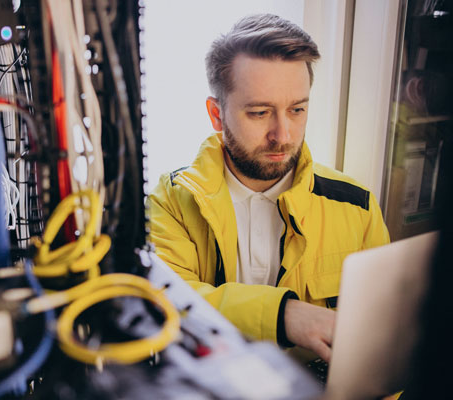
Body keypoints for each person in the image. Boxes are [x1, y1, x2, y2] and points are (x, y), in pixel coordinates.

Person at [149, 14, 390, 362]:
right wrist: (284, 316)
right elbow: (163, 300)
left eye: (297, 109)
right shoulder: (170, 201)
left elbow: (383, 346)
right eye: (260, 113)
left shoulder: (358, 207)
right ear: (216, 115)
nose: (284, 135)